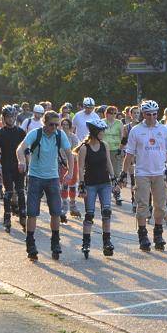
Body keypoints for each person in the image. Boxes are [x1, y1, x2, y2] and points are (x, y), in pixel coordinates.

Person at [17, 111, 73, 260]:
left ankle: (55, 242)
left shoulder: (60, 135)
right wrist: (21, 161)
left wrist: (70, 171)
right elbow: (20, 148)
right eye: (51, 124)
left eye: (57, 124)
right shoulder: (35, 134)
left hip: (53, 178)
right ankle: (30, 243)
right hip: (35, 177)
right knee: (32, 212)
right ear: (44, 123)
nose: (54, 127)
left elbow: (69, 153)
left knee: (55, 212)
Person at [121, 99, 167, 252]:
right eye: (148, 114)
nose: (152, 117)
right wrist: (124, 173)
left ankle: (158, 234)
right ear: (143, 114)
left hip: (159, 172)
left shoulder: (164, 130)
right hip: (142, 172)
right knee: (143, 204)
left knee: (160, 205)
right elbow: (129, 154)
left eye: (154, 114)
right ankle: (143, 235)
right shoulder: (136, 130)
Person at [75, 118, 117, 258]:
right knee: (90, 214)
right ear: (94, 132)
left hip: (104, 183)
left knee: (106, 212)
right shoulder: (84, 148)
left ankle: (107, 242)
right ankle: (86, 243)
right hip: (90, 184)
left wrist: (114, 178)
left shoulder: (104, 145)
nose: (103, 133)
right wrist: (81, 185)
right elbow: (80, 168)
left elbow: (109, 163)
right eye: (101, 131)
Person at [0, 105, 27, 233]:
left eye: (13, 116)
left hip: (19, 165)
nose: (11, 119)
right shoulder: (0, 133)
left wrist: (27, 164)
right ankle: (7, 217)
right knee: (8, 192)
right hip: (6, 165)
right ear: (4, 118)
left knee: (21, 191)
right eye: (8, 117)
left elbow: (26, 150)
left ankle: (23, 216)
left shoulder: (21, 132)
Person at [58, 117, 81, 222]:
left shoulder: (73, 137)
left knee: (72, 184)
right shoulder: (58, 136)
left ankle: (72, 204)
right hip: (61, 163)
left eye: (67, 125)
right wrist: (61, 159)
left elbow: (76, 149)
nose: (65, 127)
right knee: (63, 184)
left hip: (72, 162)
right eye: (63, 125)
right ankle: (64, 205)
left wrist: (70, 160)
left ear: (70, 126)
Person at [101, 106, 124, 206]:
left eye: (115, 113)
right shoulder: (102, 122)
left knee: (116, 172)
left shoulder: (119, 123)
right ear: (106, 114)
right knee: (104, 172)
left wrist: (121, 148)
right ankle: (105, 192)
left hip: (115, 149)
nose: (113, 115)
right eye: (110, 113)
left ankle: (117, 192)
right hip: (103, 149)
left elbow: (122, 136)